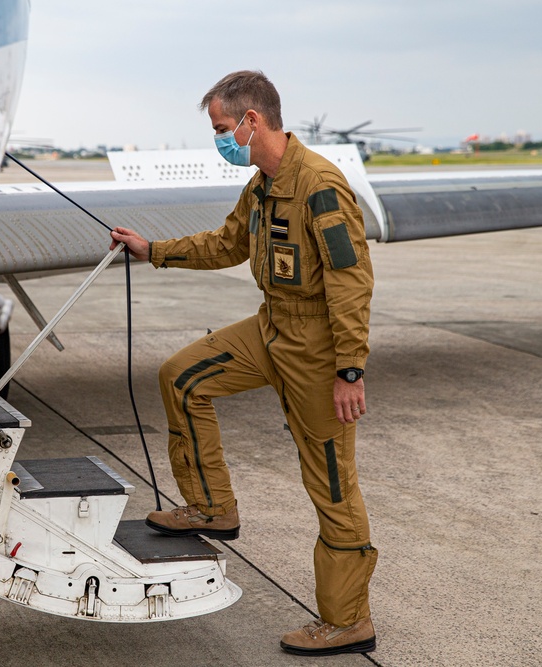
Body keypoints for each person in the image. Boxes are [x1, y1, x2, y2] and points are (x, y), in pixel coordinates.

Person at [109, 70, 378, 657]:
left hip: (316, 346)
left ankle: (348, 619)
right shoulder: (261, 185)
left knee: (331, 484)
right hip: (272, 324)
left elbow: (350, 281)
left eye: (221, 128)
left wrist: (349, 369)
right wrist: (152, 250)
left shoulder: (321, 187)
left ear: (252, 122)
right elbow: (228, 243)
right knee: (181, 375)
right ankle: (212, 505)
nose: (219, 139)